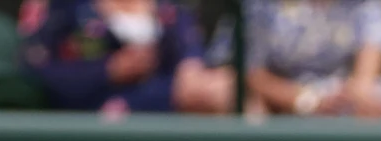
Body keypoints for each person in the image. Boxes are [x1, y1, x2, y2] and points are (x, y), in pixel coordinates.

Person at [22, 0, 231, 115]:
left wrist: (190, 66)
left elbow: (189, 49)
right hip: (91, 112)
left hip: (168, 103)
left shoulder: (170, 8)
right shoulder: (59, 7)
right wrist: (108, 70)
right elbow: (33, 70)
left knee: (225, 87)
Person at [244, 0, 381, 118]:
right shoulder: (262, 5)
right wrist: (304, 100)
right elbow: (251, 69)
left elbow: (374, 48)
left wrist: (359, 92)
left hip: (344, 92)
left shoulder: (364, 3)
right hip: (288, 95)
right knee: (237, 99)